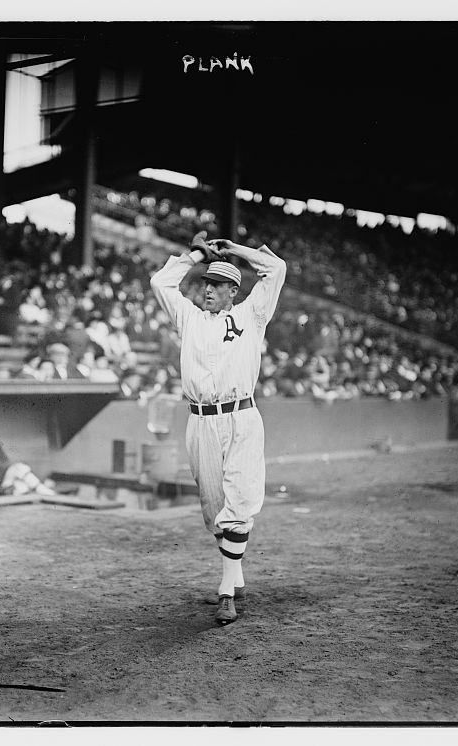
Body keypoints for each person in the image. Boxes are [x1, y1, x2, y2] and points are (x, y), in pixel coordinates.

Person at [149, 232, 286, 625]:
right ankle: (235, 574)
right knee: (213, 508)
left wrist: (234, 251)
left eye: (218, 284)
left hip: (240, 417)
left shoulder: (251, 314)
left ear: (233, 291)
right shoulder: (189, 318)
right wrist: (197, 255)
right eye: (207, 282)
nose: (208, 289)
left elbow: (276, 268)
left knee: (239, 502)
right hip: (200, 421)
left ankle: (227, 591)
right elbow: (161, 282)